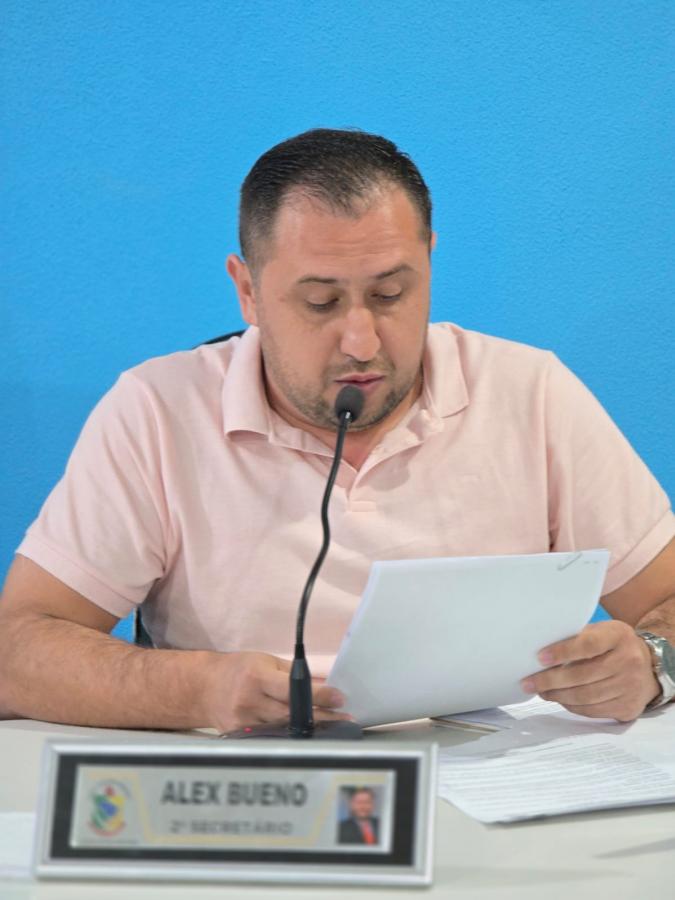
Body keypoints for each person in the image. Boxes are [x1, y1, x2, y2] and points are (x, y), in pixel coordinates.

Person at [0, 129, 673, 732]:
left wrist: (651, 660)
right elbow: (16, 651)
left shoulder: (531, 392)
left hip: (499, 782)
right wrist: (199, 690)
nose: (361, 342)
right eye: (320, 302)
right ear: (247, 290)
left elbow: (665, 602)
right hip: (253, 790)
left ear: (430, 262)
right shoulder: (158, 410)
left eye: (390, 294)